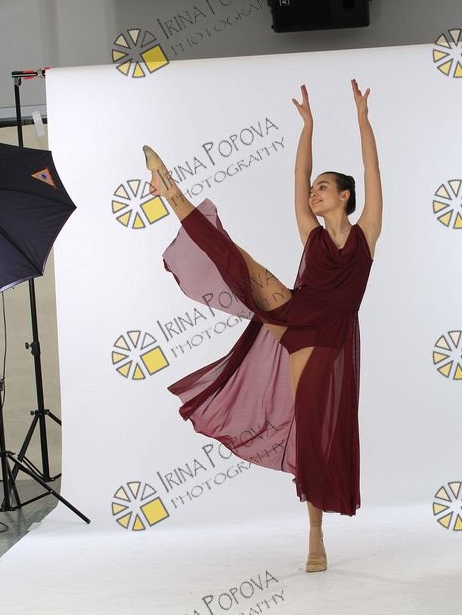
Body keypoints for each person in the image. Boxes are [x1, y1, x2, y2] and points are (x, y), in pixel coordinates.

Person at [144, 79, 382, 572]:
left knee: (314, 431)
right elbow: (298, 173)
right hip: (297, 314)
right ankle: (171, 191)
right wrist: (308, 127)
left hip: (334, 335)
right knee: (237, 258)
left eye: (323, 188)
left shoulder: (367, 233)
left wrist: (363, 121)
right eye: (313, 190)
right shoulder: (310, 232)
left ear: (344, 197)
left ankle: (315, 535)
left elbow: (372, 172)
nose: (313, 193)